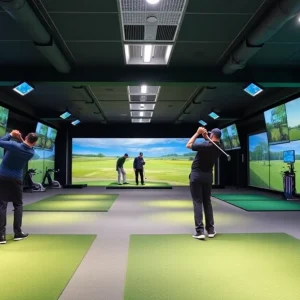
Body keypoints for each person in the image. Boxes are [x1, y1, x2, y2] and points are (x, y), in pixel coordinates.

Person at [0, 130, 38, 244]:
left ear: (26, 136)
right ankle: (17, 233)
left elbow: (1, 141)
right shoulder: (31, 152)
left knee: (2, 204)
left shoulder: (13, 145)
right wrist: (20, 138)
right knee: (18, 204)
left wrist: (11, 135)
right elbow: (26, 146)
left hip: (2, 176)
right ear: (34, 143)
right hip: (16, 179)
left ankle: (1, 235)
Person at [186, 127, 222, 240]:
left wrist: (197, 133)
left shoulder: (205, 145)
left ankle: (199, 231)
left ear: (212, 136)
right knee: (207, 202)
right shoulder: (220, 147)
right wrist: (207, 137)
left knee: (197, 202)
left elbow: (189, 144)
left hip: (196, 175)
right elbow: (213, 143)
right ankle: (211, 230)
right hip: (208, 177)